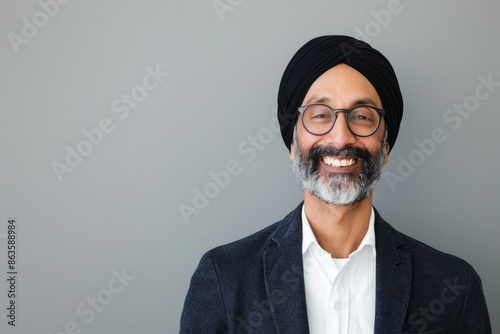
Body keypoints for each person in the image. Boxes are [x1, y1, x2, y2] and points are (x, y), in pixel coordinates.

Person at [179, 35, 491, 334]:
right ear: (292, 142)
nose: (340, 137)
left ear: (385, 147)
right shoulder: (223, 278)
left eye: (362, 117)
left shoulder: (454, 286)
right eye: (319, 115)